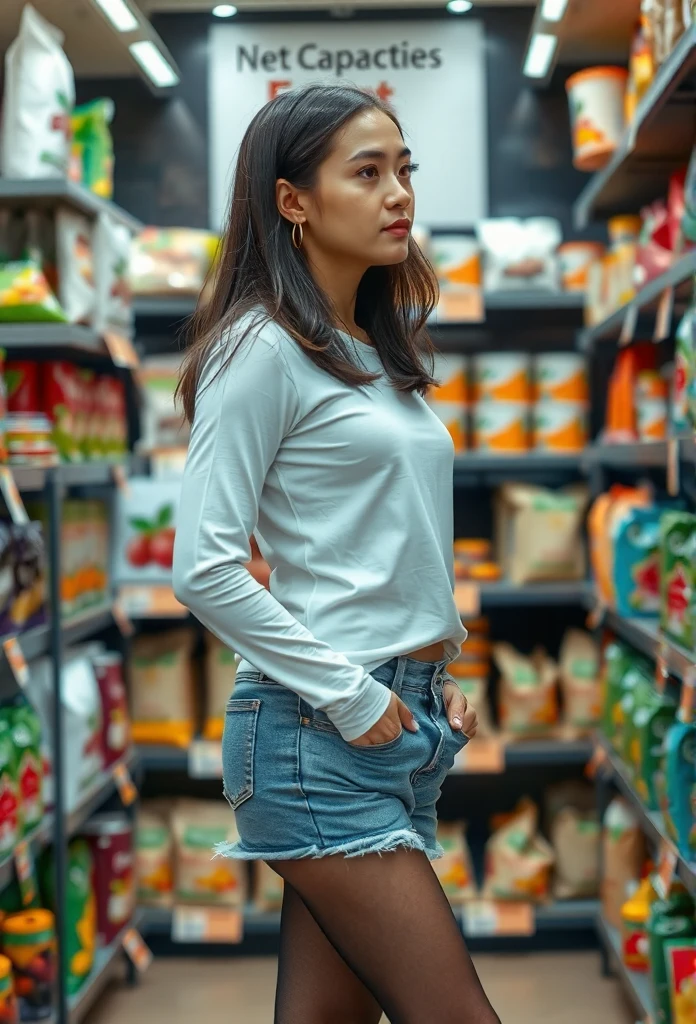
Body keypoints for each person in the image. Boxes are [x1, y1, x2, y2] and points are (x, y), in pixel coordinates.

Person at [173, 83, 499, 1024]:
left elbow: (381, 541)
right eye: (366, 172)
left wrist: (437, 660)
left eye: (404, 169)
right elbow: (205, 564)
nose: (398, 192)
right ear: (292, 200)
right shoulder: (259, 348)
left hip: (399, 718)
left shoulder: (368, 351)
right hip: (320, 732)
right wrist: (360, 697)